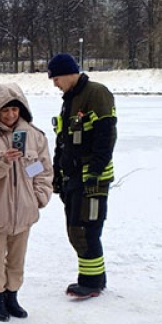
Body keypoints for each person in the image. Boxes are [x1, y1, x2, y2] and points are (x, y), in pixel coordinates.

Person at [0, 83, 53, 321]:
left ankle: (12, 296)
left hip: (24, 211)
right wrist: (1, 160)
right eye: (5, 111)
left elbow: (43, 170)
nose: (10, 116)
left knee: (17, 259)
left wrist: (39, 196)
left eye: (14, 110)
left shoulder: (35, 136)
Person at [48, 53, 117, 299]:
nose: (55, 83)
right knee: (76, 228)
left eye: (56, 78)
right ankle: (91, 278)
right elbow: (64, 140)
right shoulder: (71, 99)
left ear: (68, 73)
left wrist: (95, 171)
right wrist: (58, 172)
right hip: (74, 177)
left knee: (86, 229)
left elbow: (105, 137)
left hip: (92, 179)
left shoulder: (96, 94)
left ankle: (91, 283)